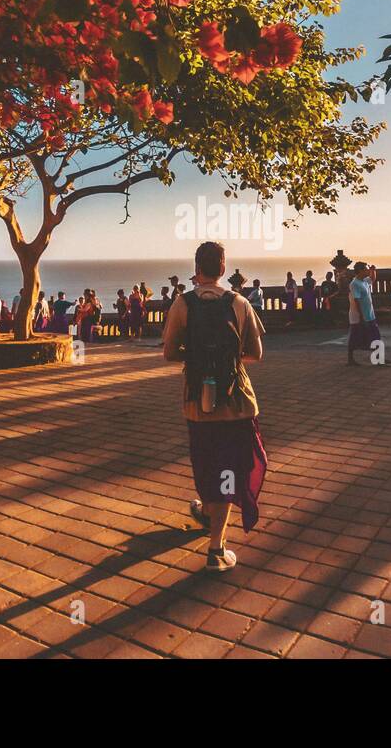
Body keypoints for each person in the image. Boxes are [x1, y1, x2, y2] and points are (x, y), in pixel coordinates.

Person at [162, 241, 267, 573]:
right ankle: (217, 546)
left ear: (197, 269)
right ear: (223, 268)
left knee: (206, 461)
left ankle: (212, 530)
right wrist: (229, 362)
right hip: (236, 401)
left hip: (198, 401)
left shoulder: (182, 303)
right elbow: (256, 354)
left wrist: (197, 361)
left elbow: (168, 353)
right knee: (227, 470)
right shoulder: (239, 303)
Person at [347, 261, 384, 366]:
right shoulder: (354, 284)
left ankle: (378, 358)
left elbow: (372, 279)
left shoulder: (364, 281)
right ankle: (350, 359)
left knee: (376, 336)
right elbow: (356, 301)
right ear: (361, 271)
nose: (368, 270)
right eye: (366, 269)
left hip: (369, 315)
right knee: (354, 337)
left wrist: (373, 271)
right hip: (358, 316)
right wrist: (361, 317)